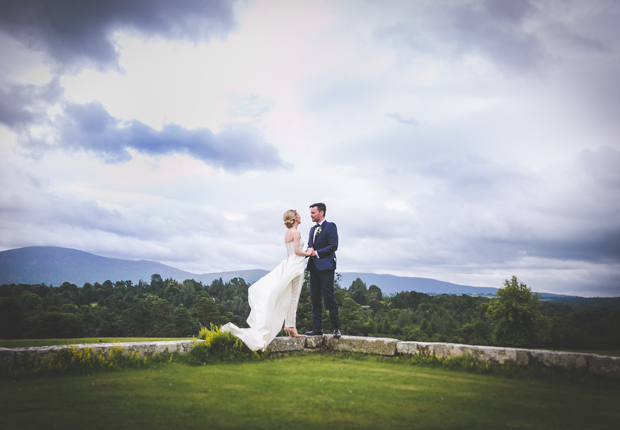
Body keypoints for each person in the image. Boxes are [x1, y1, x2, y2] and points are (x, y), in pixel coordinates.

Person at [222, 210, 312, 351]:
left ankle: (290, 324)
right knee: (294, 296)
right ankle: (290, 325)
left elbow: (289, 253)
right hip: (296, 265)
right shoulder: (296, 233)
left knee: (289, 295)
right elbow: (297, 251)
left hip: (289, 263)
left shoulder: (288, 233)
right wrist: (309, 252)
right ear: (294, 218)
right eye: (298, 215)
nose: (301, 216)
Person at [305, 202, 341, 338]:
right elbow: (310, 247)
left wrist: (316, 253)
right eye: (310, 213)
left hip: (326, 267)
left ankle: (335, 328)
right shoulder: (311, 229)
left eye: (313, 213)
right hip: (313, 267)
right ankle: (317, 328)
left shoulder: (330, 226)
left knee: (329, 297)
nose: (311, 215)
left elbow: (333, 246)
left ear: (321, 213)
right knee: (314, 298)